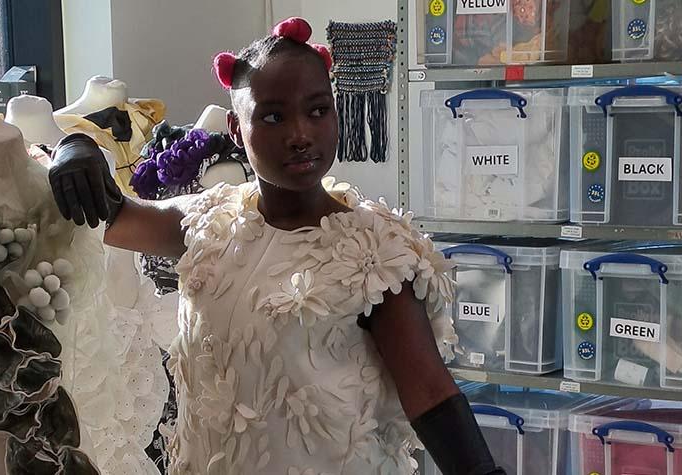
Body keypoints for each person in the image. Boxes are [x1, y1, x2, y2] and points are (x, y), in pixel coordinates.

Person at [48, 16, 504, 475]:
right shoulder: (211, 221)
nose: (301, 134)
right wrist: (76, 146)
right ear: (235, 128)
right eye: (273, 117)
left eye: (318, 110)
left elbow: (431, 394)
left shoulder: (374, 253)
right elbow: (113, 218)